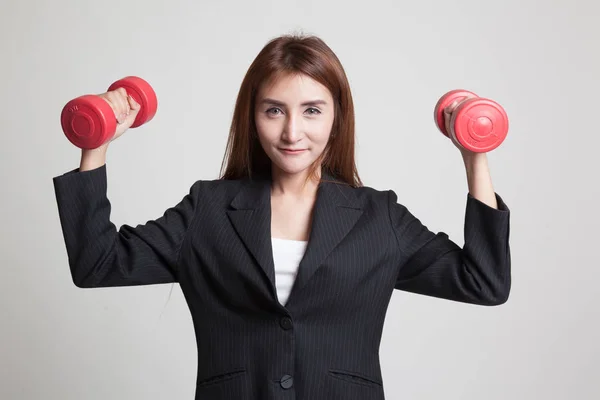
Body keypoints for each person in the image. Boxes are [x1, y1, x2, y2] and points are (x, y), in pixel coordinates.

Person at [53, 33, 511, 400]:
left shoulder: (378, 217)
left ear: (336, 117)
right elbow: (97, 264)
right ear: (252, 117)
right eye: (274, 111)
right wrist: (97, 142)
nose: (293, 132)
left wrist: (474, 157)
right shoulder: (208, 211)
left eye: (312, 111)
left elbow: (483, 282)